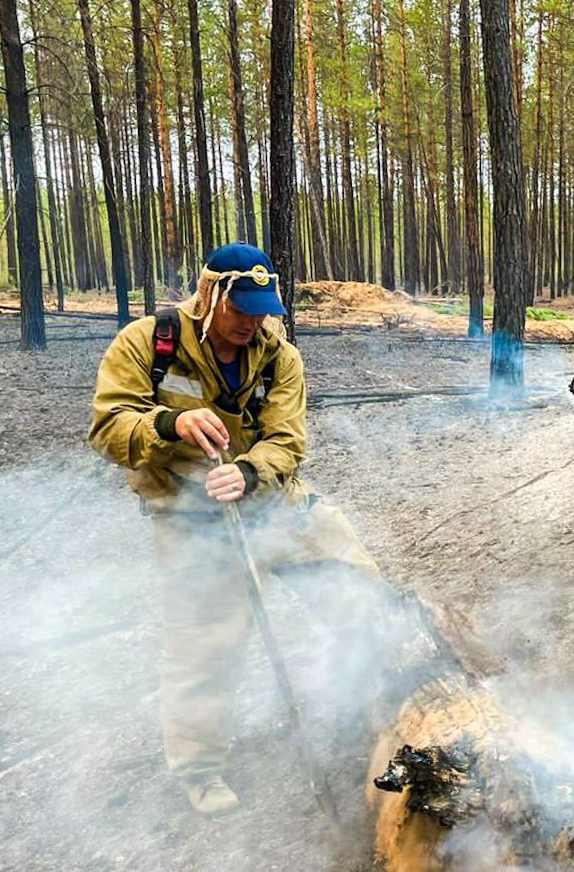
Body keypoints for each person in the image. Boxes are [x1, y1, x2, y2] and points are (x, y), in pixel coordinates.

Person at [89, 243, 378, 814]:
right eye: (242, 308)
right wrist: (168, 423)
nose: (254, 321)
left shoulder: (280, 356)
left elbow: (288, 440)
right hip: (191, 519)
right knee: (204, 645)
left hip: (273, 501)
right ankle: (199, 770)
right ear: (209, 295)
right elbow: (108, 428)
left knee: (360, 586)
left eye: (263, 310)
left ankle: (380, 701)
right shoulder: (148, 344)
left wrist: (249, 471)